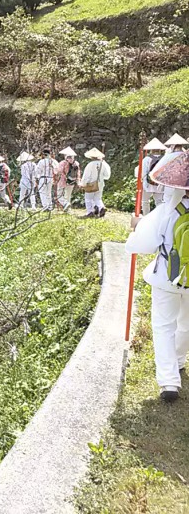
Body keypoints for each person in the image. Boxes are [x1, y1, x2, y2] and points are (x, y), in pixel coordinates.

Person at [126, 152, 189, 402]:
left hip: (167, 277)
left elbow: (143, 244)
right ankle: (180, 360)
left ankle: (169, 381)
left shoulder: (165, 211)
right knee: (187, 324)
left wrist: (135, 226)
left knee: (164, 326)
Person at [80, 148, 111, 218]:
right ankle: (101, 207)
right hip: (100, 183)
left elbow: (86, 175)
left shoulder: (90, 164)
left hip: (91, 183)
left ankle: (90, 211)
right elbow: (107, 175)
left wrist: (83, 183)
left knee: (88, 198)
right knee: (97, 198)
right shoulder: (103, 164)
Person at [141, 138, 166, 215]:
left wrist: (144, 183)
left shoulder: (147, 159)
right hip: (160, 183)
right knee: (159, 202)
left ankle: (146, 216)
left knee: (145, 201)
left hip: (149, 183)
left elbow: (144, 172)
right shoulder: (164, 159)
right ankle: (159, 216)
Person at [163, 134, 188, 203]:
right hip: (184, 184)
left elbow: (160, 170)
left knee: (168, 202)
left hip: (170, 183)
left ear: (172, 146)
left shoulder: (168, 157)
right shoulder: (186, 156)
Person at [55, 147, 80, 212]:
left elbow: (58, 171)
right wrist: (78, 181)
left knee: (59, 195)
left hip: (62, 181)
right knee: (68, 196)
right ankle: (68, 209)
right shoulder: (76, 163)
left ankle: (65, 204)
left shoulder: (63, 162)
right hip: (72, 181)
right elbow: (78, 173)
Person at [35, 147, 58, 211]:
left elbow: (37, 171)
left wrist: (37, 177)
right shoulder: (53, 161)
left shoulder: (41, 161)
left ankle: (45, 206)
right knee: (48, 193)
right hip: (50, 178)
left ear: (43, 154)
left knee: (42, 192)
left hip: (43, 177)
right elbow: (57, 169)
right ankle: (50, 206)